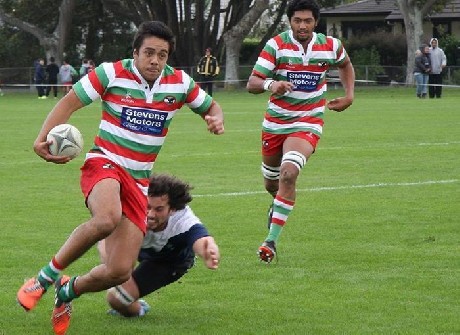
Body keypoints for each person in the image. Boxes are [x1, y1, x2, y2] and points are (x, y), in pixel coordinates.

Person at [16, 20, 224, 335]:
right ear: (136, 52)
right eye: (149, 53)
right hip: (105, 163)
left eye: (163, 55)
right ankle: (42, 279)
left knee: (119, 271)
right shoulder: (111, 73)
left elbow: (212, 106)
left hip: (139, 182)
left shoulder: (179, 83)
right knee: (106, 219)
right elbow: (68, 102)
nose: (155, 60)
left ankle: (68, 290)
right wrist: (41, 139)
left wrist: (214, 119)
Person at [246, 0, 355, 263]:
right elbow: (252, 83)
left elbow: (346, 64)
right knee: (272, 183)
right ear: (290, 21)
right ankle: (278, 204)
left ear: (315, 22)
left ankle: (270, 241)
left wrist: (349, 95)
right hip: (275, 124)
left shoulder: (331, 46)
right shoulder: (276, 45)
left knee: (289, 173)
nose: (302, 25)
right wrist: (272, 84)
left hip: (308, 121)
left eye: (307, 21)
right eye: (297, 21)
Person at [98, 173, 220, 317]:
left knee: (117, 299)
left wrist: (208, 250)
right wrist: (113, 267)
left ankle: (139, 309)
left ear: (172, 209)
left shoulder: (183, 220)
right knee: (116, 274)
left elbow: (200, 238)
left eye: (159, 209)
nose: (150, 214)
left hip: (168, 261)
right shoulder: (128, 208)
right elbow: (105, 238)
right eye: (147, 206)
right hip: (138, 248)